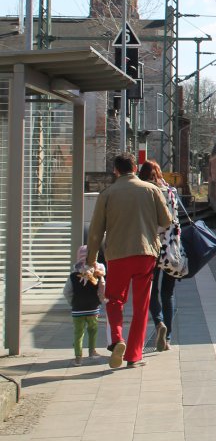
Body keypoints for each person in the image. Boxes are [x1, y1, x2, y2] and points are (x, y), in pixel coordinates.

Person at [86, 152, 173, 368]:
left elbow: (96, 232)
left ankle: (117, 341)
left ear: (116, 170)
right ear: (135, 168)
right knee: (142, 305)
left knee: (114, 300)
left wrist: (91, 261)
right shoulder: (151, 190)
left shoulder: (107, 194)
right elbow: (166, 220)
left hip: (118, 255)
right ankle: (134, 356)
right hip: (146, 255)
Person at [138, 159, 178, 352]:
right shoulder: (171, 192)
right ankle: (168, 337)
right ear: (160, 174)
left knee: (151, 291)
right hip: (170, 249)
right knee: (168, 292)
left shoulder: (143, 192)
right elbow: (175, 222)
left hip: (150, 248)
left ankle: (159, 322)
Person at [62, 245, 106, 366]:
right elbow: (102, 291)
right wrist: (99, 300)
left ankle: (78, 357)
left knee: (78, 333)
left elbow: (66, 292)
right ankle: (92, 352)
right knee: (93, 330)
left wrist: (73, 302)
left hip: (77, 309)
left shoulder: (73, 276)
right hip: (93, 308)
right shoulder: (97, 274)